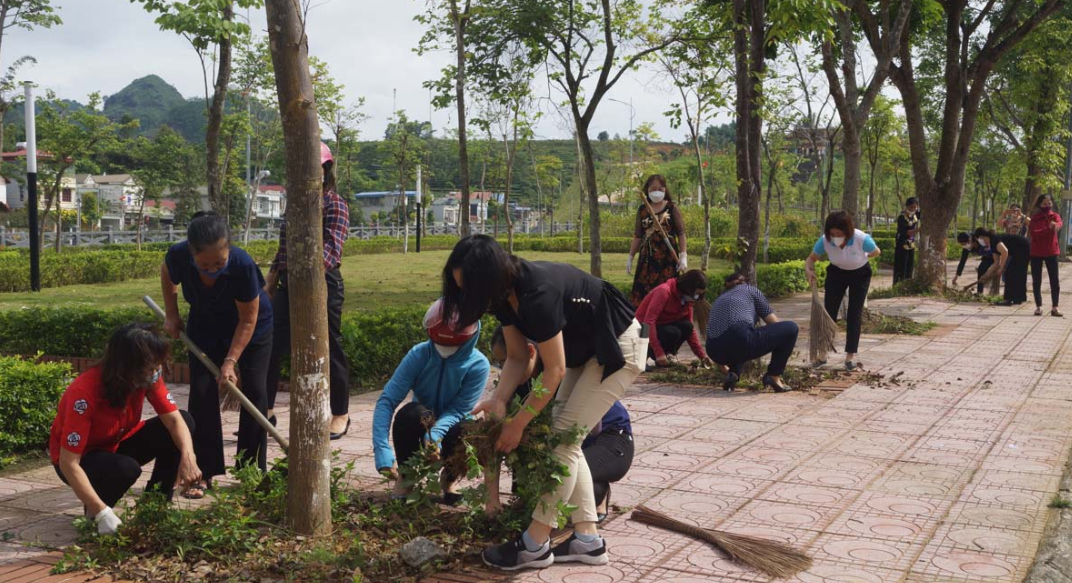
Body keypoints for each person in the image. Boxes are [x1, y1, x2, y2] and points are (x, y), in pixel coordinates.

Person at [443, 235, 646, 570]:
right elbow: (518, 357)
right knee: (566, 439)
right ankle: (588, 541)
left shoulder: (537, 293)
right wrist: (499, 400)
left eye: (469, 289)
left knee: (564, 438)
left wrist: (518, 423)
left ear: (487, 279)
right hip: (587, 352)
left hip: (617, 346)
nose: (466, 297)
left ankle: (534, 543)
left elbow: (553, 370)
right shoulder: (504, 296)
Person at [161, 211, 273, 498]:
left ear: (229, 251)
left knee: (256, 394)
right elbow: (167, 273)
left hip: (252, 329)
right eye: (204, 265)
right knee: (201, 392)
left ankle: (250, 470)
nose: (212, 269)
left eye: (219, 263)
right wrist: (171, 314)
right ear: (191, 254)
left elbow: (248, 320)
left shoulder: (243, 265)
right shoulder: (177, 255)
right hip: (205, 325)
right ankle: (203, 472)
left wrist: (230, 361)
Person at [50, 324, 200, 535]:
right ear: (128, 366)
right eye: (151, 366)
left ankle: (154, 507)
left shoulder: (146, 378)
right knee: (126, 468)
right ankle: (96, 514)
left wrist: (188, 456)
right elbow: (69, 463)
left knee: (185, 421)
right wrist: (103, 513)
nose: (157, 371)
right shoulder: (84, 394)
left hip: (115, 443)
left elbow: (174, 421)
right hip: (82, 459)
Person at [488, 327, 634, 524]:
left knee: (561, 483)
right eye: (497, 363)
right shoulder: (512, 387)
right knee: (539, 490)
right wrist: (493, 500)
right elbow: (492, 441)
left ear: (530, 352)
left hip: (607, 438)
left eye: (504, 361)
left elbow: (591, 428)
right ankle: (590, 487)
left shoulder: (559, 373)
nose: (502, 369)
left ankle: (599, 492)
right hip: (565, 448)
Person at [266, 142, 352, 439]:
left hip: (323, 284)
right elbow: (282, 248)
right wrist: (271, 281)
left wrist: (306, 276)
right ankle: (266, 411)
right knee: (270, 343)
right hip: (289, 284)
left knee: (330, 346)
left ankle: (340, 413)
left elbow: (331, 251)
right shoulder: (294, 206)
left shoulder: (334, 204)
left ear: (324, 170)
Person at [372, 298, 489, 502]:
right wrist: (381, 449)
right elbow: (388, 400)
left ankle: (449, 479)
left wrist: (434, 437)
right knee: (410, 414)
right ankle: (407, 478)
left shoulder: (478, 365)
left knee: (468, 432)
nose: (444, 351)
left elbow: (459, 409)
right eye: (439, 345)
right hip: (425, 419)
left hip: (453, 422)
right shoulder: (419, 355)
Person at [805, 210, 881, 371]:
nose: (836, 237)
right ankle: (823, 354)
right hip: (836, 273)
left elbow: (876, 252)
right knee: (829, 312)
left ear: (847, 231)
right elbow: (811, 258)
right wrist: (808, 269)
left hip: (860, 274)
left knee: (854, 313)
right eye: (832, 233)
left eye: (839, 233)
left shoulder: (861, 238)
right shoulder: (824, 241)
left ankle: (850, 356)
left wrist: (860, 257)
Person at [705, 273, 798, 392]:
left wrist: (724, 367)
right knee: (790, 328)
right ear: (745, 282)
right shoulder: (750, 290)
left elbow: (715, 334)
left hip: (713, 350)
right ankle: (773, 376)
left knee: (743, 336)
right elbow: (774, 324)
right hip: (740, 339)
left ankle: (732, 373)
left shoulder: (719, 299)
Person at [634, 269, 714, 368]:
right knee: (672, 332)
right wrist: (658, 352)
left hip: (660, 326)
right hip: (642, 329)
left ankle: (664, 358)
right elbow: (648, 322)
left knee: (686, 326)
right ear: (688, 288)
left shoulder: (687, 301)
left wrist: (702, 356)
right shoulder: (664, 291)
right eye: (696, 293)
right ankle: (644, 356)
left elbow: (690, 330)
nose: (696, 297)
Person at [627, 175, 687, 306]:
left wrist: (683, 256)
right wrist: (630, 257)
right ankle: (645, 322)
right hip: (647, 259)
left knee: (667, 292)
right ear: (647, 190)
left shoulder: (671, 207)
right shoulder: (643, 210)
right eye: (653, 188)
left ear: (665, 190)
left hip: (668, 258)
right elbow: (637, 235)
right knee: (644, 294)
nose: (657, 191)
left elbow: (681, 233)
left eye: (660, 188)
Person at [955, 228, 1029, 306]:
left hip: (1022, 247)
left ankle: (1008, 299)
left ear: (982, 237)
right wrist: (986, 275)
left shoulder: (994, 240)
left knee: (1011, 273)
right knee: (1018, 273)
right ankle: (1019, 298)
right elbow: (996, 262)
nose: (981, 242)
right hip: (1019, 249)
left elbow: (1005, 251)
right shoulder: (991, 244)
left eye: (979, 239)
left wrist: (1001, 268)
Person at [1028, 194, 1063, 317]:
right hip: (1036, 252)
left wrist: (1056, 226)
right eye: (1044, 204)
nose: (1047, 206)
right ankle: (1038, 306)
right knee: (1036, 280)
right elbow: (1034, 233)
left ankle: (1055, 307)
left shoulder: (1055, 216)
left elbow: (1059, 224)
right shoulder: (1035, 218)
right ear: (1039, 205)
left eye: (1049, 203)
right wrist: (1048, 229)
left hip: (1051, 252)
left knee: (1054, 280)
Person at [894, 198, 919, 284]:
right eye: (911, 207)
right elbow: (906, 232)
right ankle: (899, 283)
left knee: (910, 264)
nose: (913, 209)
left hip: (911, 243)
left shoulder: (915, 216)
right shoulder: (902, 217)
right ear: (907, 206)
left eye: (915, 208)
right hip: (902, 243)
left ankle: (908, 282)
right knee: (902, 264)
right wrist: (918, 230)